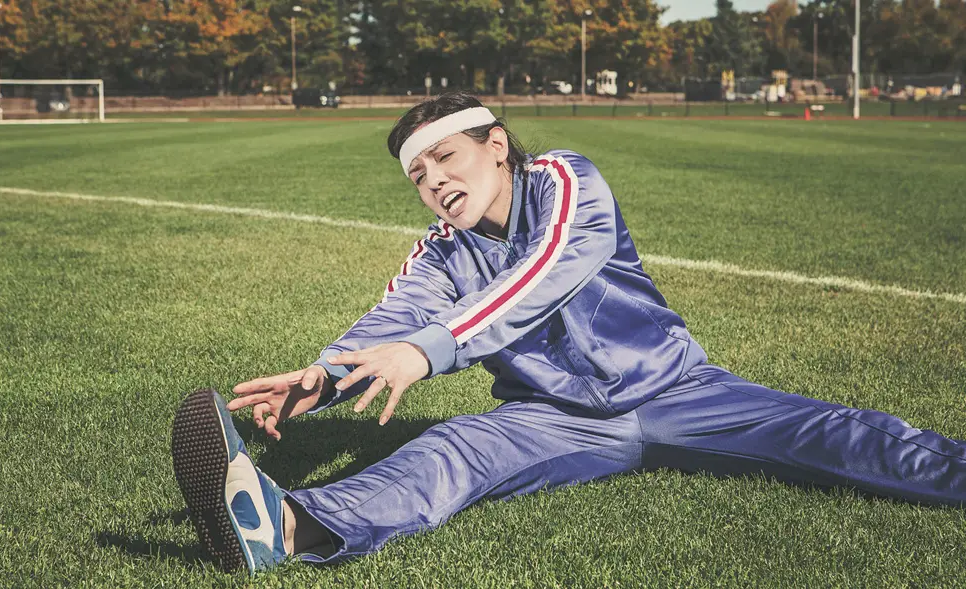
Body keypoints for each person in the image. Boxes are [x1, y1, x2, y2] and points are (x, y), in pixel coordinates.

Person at [171, 92, 966, 575]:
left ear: (494, 144)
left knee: (837, 436)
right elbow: (391, 321)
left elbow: (546, 272)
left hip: (681, 391)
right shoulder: (439, 253)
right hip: (551, 419)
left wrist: (430, 348)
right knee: (448, 453)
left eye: (445, 157)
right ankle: (284, 526)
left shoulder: (564, 180)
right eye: (418, 175)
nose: (435, 182)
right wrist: (323, 377)